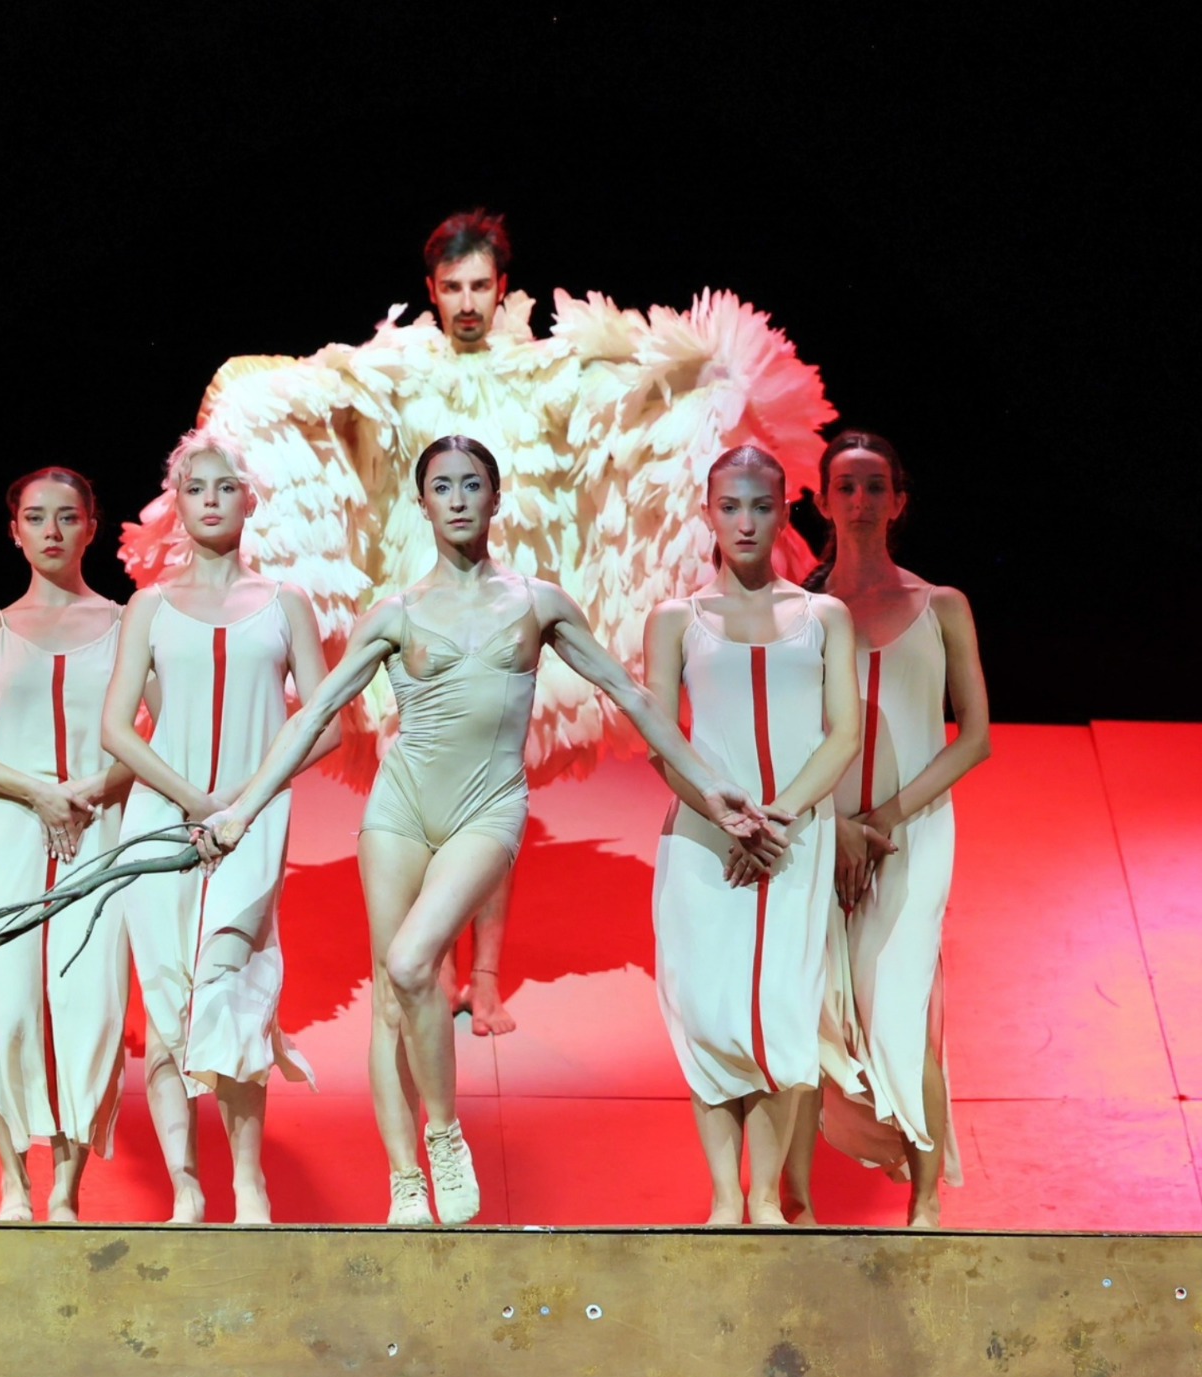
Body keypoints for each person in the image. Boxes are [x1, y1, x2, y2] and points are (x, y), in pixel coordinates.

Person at [121, 209, 835, 1035]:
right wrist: (240, 388)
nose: (466, 301)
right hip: (416, 577)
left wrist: (703, 377)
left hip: (509, 583)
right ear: (431, 290)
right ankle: (431, 963)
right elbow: (327, 387)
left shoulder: (538, 367)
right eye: (452, 287)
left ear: (503, 289)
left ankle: (485, 976)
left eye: (480, 286)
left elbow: (616, 394)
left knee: (499, 773)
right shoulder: (401, 364)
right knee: (417, 759)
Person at [194, 435, 787, 1227]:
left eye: (472, 485)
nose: (459, 499)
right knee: (392, 999)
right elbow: (315, 715)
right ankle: (405, 1181)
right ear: (423, 504)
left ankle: (444, 1135)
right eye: (442, 487)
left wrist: (710, 787)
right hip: (400, 811)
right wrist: (242, 808)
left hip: (488, 808)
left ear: (496, 499)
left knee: (413, 961)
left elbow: (632, 695)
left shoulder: (538, 603)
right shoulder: (397, 612)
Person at [100, 430, 337, 1224]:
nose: (210, 500)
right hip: (162, 819)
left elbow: (326, 723)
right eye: (195, 487)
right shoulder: (149, 607)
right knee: (168, 999)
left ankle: (249, 1182)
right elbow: (118, 729)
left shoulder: (285, 604)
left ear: (249, 500)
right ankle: (186, 1187)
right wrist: (196, 803)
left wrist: (243, 798)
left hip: (254, 820)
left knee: (230, 990)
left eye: (224, 487)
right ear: (177, 502)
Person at [644, 445, 861, 1225]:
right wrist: (727, 817)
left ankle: (766, 1199)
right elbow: (662, 741)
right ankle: (724, 1199)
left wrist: (778, 819)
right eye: (730, 506)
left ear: (783, 513)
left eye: (761, 506)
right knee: (708, 1011)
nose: (745, 522)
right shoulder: (676, 619)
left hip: (794, 842)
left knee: (780, 1013)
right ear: (706, 513)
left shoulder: (824, 617)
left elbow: (843, 734)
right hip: (706, 845)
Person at [786, 431, 990, 1228]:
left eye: (876, 486)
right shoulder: (801, 612)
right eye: (846, 486)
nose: (861, 501)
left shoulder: (942, 607)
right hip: (821, 834)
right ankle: (796, 1203)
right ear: (823, 501)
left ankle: (926, 1201)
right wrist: (832, 825)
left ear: (899, 501)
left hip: (912, 835)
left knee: (899, 1004)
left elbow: (974, 737)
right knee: (812, 1011)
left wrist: (879, 821)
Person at [0, 466, 130, 1222]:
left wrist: (92, 788)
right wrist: (37, 791)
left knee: (89, 1003)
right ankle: (13, 1184)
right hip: (9, 827)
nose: (52, 529)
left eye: (67, 516)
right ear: (14, 531)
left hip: (100, 823)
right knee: (12, 1007)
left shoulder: (127, 624)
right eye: (36, 516)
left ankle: (67, 1192)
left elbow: (163, 735)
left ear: (91, 527)